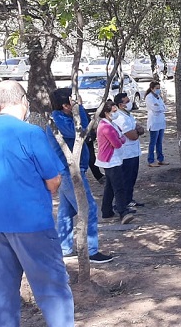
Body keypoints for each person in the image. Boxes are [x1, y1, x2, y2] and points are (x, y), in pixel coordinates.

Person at [0, 81, 75, 327]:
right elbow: (53, 180)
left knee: (1, 290)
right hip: (32, 223)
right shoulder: (30, 133)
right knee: (51, 288)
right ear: (23, 101)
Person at [48, 88, 113, 263]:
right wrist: (81, 109)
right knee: (89, 208)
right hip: (69, 172)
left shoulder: (63, 116)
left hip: (73, 170)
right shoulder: (58, 119)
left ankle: (64, 248)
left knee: (66, 211)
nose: (78, 100)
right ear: (66, 105)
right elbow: (81, 131)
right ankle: (91, 251)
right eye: (74, 100)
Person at [96, 101, 135, 224]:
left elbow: (120, 137)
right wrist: (121, 138)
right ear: (106, 113)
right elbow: (117, 143)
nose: (116, 113)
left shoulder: (110, 124)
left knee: (110, 187)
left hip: (113, 159)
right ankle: (123, 212)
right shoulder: (106, 127)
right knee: (119, 187)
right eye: (113, 111)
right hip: (111, 160)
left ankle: (106, 211)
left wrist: (121, 138)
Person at [112, 93, 145, 209]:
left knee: (132, 178)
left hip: (134, 152)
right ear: (121, 105)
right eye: (127, 101)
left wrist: (137, 130)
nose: (130, 102)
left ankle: (129, 200)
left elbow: (139, 128)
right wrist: (137, 131)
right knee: (125, 179)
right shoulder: (119, 117)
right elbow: (132, 135)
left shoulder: (128, 115)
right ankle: (121, 204)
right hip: (126, 154)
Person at [145, 81, 168, 167]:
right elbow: (155, 108)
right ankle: (151, 160)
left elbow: (164, 107)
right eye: (156, 88)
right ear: (152, 89)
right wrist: (161, 108)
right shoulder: (149, 97)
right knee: (153, 142)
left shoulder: (158, 97)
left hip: (161, 121)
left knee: (159, 142)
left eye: (159, 88)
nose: (158, 90)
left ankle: (160, 159)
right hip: (154, 122)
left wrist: (161, 108)